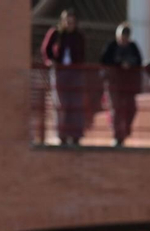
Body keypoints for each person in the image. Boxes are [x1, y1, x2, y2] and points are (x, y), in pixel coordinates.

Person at [40, 9, 88, 146]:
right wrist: (50, 61)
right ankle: (62, 135)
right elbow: (46, 49)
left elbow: (83, 53)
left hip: (75, 72)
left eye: (72, 21)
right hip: (60, 71)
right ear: (63, 21)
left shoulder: (79, 36)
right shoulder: (56, 33)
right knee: (61, 104)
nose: (69, 23)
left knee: (76, 104)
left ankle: (76, 135)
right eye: (67, 20)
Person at [100, 23, 143, 147]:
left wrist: (130, 64)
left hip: (129, 84)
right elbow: (104, 61)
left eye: (126, 36)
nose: (124, 38)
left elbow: (139, 61)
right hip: (114, 83)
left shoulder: (133, 47)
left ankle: (126, 130)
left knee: (131, 108)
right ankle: (117, 136)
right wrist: (119, 64)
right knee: (116, 109)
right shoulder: (111, 46)